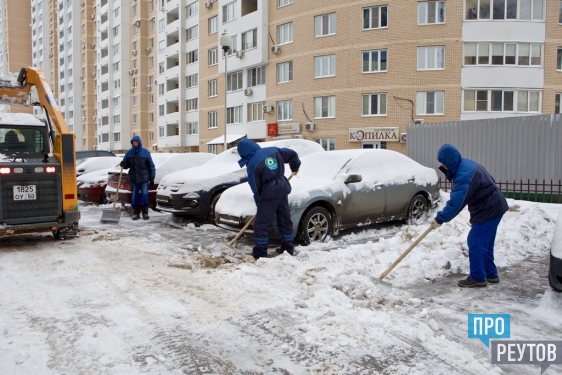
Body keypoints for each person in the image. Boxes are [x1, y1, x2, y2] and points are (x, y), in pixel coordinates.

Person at [432, 144, 508, 288]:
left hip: (488, 208)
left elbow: (457, 202)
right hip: (493, 205)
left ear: (450, 161)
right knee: (485, 243)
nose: (442, 166)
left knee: (476, 241)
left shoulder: (464, 175)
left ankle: (478, 277)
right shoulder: (465, 165)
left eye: (443, 163)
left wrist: (440, 218)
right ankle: (490, 273)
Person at [237, 138, 301, 260]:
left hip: (269, 194)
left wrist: (259, 203)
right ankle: (288, 248)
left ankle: (260, 253)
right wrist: (295, 168)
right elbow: (292, 154)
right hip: (282, 188)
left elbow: (256, 188)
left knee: (262, 224)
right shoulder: (273, 150)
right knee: (284, 219)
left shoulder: (252, 165)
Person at [120, 135, 156, 220]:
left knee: (144, 194)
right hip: (134, 178)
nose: (134, 144)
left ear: (139, 142)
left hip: (144, 178)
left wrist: (152, 177)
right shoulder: (129, 153)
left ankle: (145, 212)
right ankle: (136, 212)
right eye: (133, 143)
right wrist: (123, 164)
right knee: (135, 195)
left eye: (136, 142)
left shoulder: (145, 152)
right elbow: (126, 164)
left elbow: (151, 165)